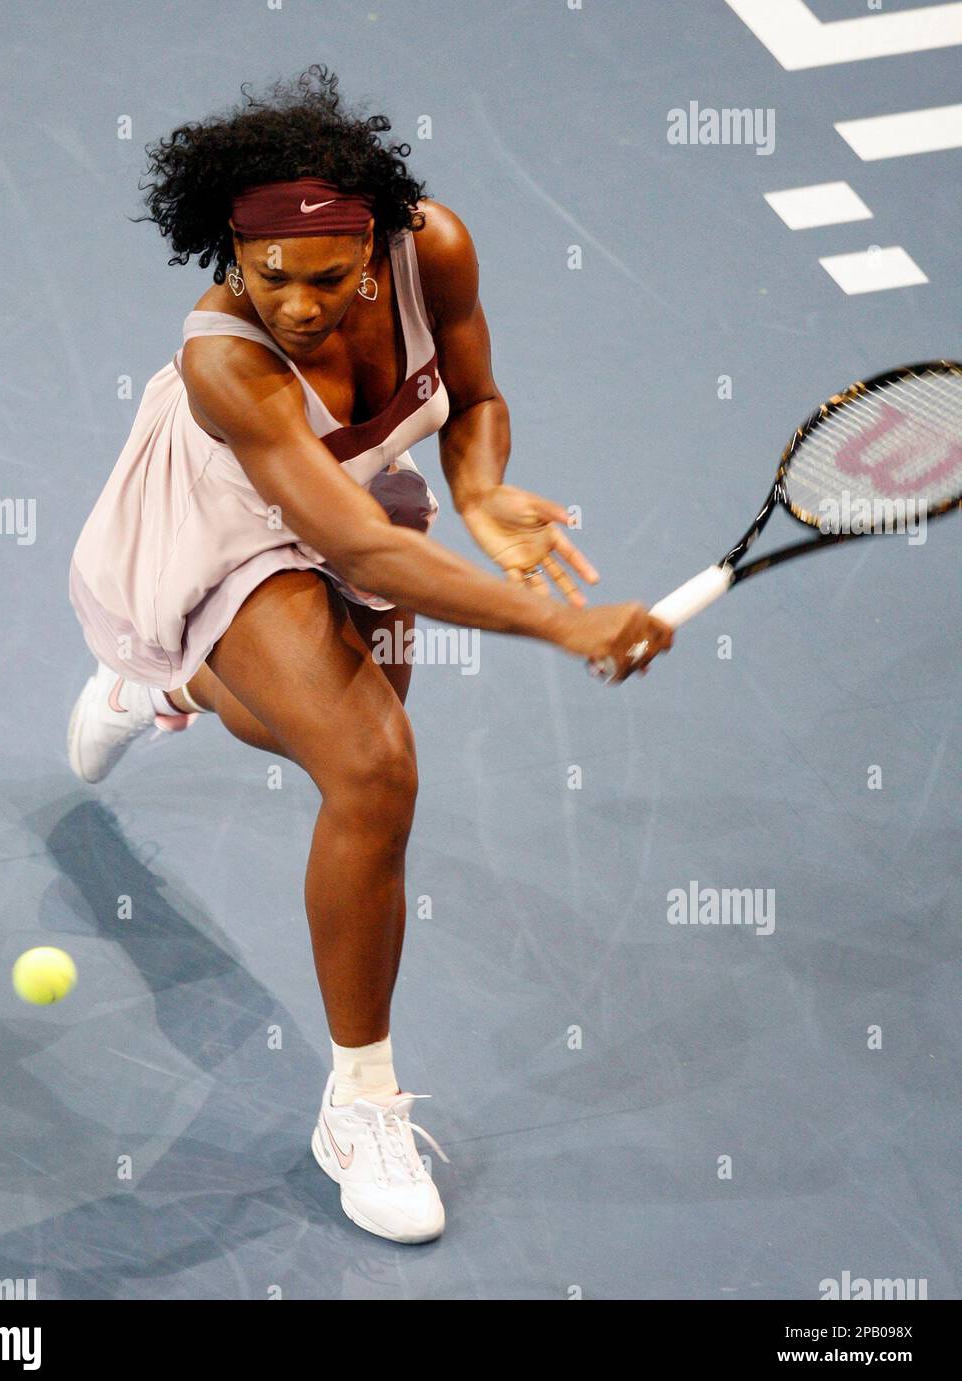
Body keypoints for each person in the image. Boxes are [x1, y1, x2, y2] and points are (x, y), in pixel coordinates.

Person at [66, 66, 672, 1244]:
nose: (298, 303)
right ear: (231, 258)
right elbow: (366, 556)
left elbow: (477, 391)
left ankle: (170, 686)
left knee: (297, 734)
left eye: (330, 278)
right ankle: (360, 1104)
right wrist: (561, 622)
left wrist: (482, 488)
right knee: (373, 766)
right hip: (230, 518)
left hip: (363, 485)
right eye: (269, 277)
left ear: (378, 243)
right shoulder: (226, 360)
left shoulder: (432, 246)